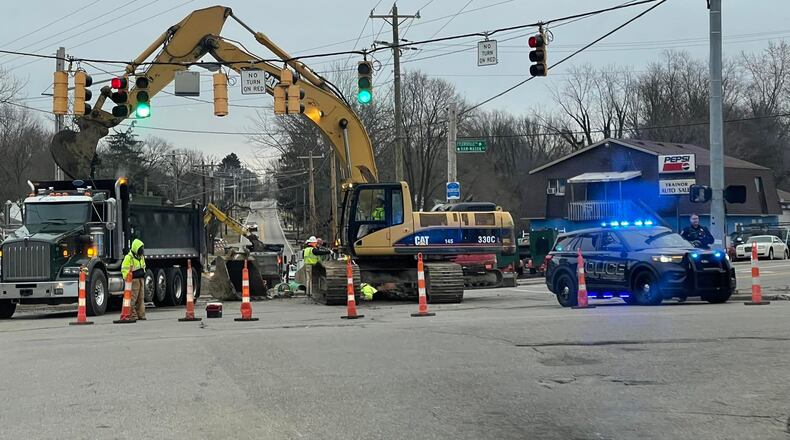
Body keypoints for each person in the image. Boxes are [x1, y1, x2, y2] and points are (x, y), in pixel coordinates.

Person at [121, 238, 147, 320]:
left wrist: (143, 274)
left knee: (141, 298)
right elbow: (124, 269)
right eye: (140, 248)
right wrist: (128, 279)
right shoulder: (129, 257)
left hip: (140, 279)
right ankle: (133, 315)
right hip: (133, 280)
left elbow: (144, 266)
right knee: (132, 298)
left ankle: (141, 315)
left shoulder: (141, 257)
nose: (142, 250)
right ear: (136, 248)